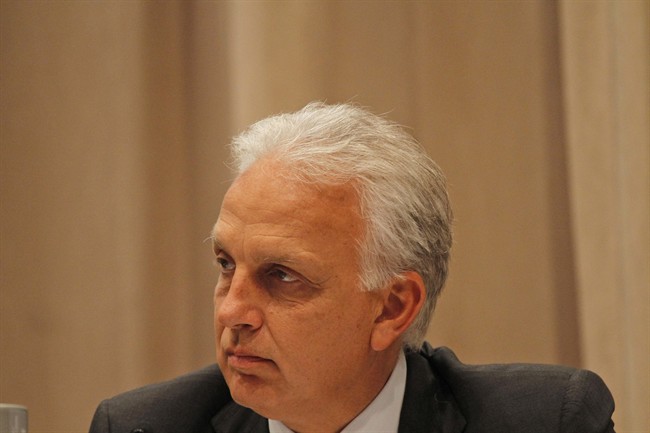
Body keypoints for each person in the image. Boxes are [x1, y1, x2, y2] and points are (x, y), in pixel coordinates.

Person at [89, 102, 615, 433]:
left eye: (282, 276)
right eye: (226, 265)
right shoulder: (145, 426)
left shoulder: (548, 421)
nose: (233, 311)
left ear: (392, 307)